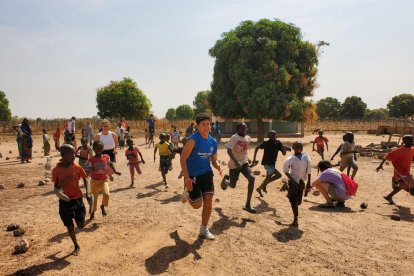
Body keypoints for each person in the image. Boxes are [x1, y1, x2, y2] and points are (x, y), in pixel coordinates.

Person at [180, 113, 222, 240]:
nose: (206, 127)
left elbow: (214, 160)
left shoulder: (213, 141)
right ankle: (186, 194)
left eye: (208, 124)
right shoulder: (193, 140)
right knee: (197, 205)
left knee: (208, 201)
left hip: (207, 174)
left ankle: (203, 229)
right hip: (192, 176)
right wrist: (187, 179)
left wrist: (218, 166)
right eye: (203, 124)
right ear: (197, 126)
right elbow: (182, 159)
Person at [52, 144, 90, 256]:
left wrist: (87, 192)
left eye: (74, 153)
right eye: (72, 153)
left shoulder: (77, 167)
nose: (74, 155)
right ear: (63, 155)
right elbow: (56, 186)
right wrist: (59, 193)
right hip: (65, 202)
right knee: (69, 225)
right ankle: (76, 245)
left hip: (77, 199)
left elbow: (85, 179)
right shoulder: (56, 170)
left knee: (81, 225)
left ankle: (78, 223)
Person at [220, 123, 256, 213]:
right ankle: (225, 181)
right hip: (234, 165)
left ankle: (248, 205)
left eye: (245, 129)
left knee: (252, 178)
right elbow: (228, 150)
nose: (244, 130)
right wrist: (236, 161)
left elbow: (244, 150)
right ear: (237, 130)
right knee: (232, 185)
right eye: (242, 129)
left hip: (244, 163)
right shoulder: (234, 137)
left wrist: (248, 159)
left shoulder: (247, 138)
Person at [377, 135, 414, 204]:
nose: (412, 141)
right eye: (411, 140)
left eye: (413, 140)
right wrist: (380, 165)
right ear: (405, 142)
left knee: (402, 185)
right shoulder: (400, 150)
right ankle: (389, 196)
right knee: (410, 184)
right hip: (401, 172)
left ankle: (389, 196)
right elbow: (388, 156)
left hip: (406, 171)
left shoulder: (412, 149)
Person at [88, 141, 121, 220]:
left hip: (104, 180)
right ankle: (93, 212)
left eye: (100, 149)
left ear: (103, 149)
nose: (98, 151)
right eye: (96, 149)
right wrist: (91, 169)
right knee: (94, 198)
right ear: (93, 149)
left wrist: (114, 172)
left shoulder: (106, 157)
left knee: (106, 194)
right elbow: (88, 170)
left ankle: (102, 206)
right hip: (94, 181)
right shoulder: (91, 159)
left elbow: (109, 165)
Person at [282, 141, 312, 227]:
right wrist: (292, 180)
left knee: (298, 202)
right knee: (293, 200)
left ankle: (287, 190)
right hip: (293, 181)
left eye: (300, 146)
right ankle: (296, 219)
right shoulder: (290, 159)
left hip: (302, 181)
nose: (299, 148)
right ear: (293, 147)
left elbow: (309, 170)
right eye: (297, 146)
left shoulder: (306, 157)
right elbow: (285, 170)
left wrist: (309, 182)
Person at [252, 130, 290, 197]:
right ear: (268, 136)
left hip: (273, 163)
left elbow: (283, 153)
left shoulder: (278, 143)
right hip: (267, 164)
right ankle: (263, 185)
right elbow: (256, 148)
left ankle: (259, 188)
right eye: (272, 135)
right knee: (278, 175)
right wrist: (254, 159)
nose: (274, 136)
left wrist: (284, 149)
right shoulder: (266, 143)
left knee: (268, 178)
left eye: (275, 135)